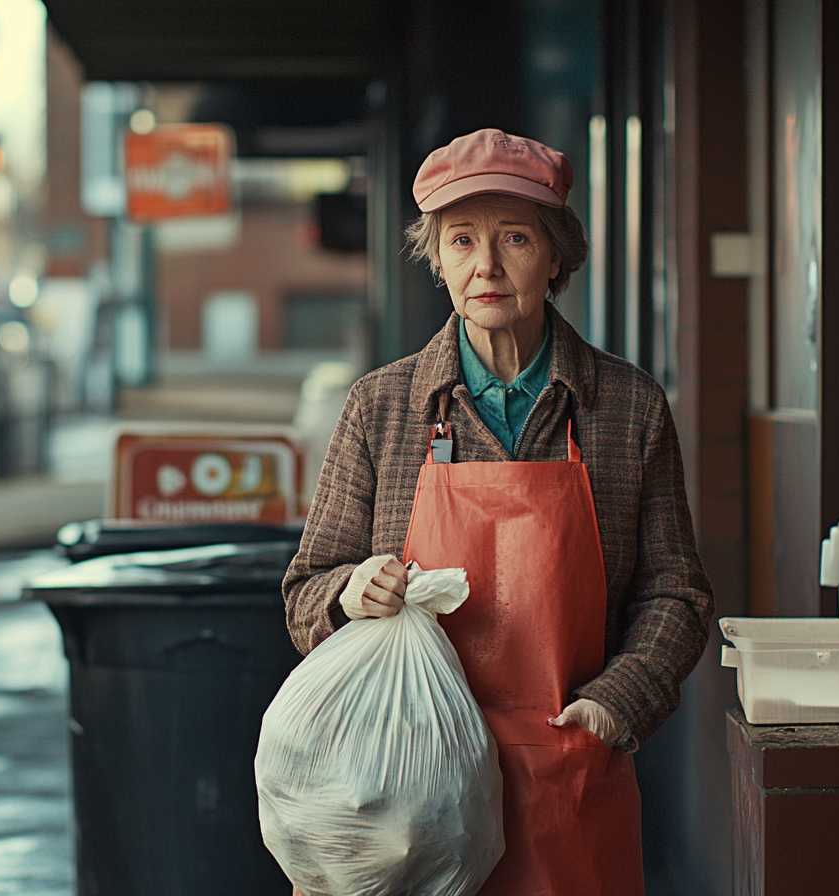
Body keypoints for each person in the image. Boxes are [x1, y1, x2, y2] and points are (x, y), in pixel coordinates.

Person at [282, 128, 714, 896]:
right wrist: (349, 595)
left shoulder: (627, 406)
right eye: (461, 240)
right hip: (406, 796)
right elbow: (306, 589)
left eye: (514, 236)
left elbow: (675, 592)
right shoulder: (382, 407)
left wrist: (622, 700)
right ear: (438, 259)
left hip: (569, 780)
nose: (485, 264)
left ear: (556, 256)